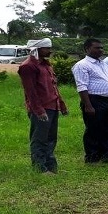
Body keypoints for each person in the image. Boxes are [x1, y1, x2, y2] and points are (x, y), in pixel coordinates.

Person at [17, 38, 68, 173]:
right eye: (46, 48)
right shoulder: (28, 66)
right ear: (37, 49)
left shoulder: (46, 65)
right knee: (39, 139)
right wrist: (39, 111)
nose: (49, 51)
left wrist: (61, 104)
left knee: (51, 138)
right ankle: (40, 168)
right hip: (41, 108)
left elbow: (54, 87)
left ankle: (51, 167)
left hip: (53, 106)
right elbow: (31, 92)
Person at [72, 38, 108, 163]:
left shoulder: (103, 64)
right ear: (87, 49)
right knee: (93, 129)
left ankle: (106, 154)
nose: (101, 50)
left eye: (101, 48)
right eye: (97, 48)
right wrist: (88, 105)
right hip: (94, 100)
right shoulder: (82, 65)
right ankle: (92, 156)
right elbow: (82, 86)